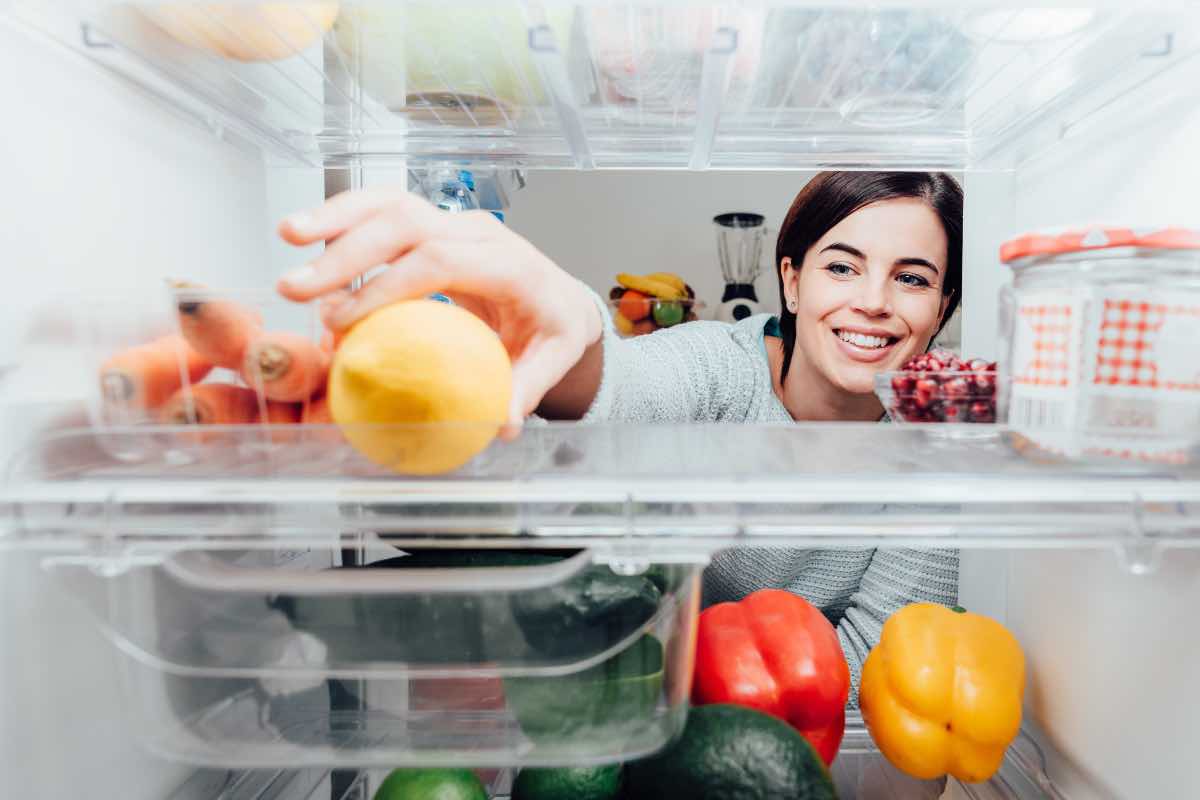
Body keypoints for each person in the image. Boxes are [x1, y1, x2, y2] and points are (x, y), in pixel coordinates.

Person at [277, 171, 962, 702]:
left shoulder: (934, 450)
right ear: (790, 279)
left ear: (943, 310)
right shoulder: (721, 363)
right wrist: (570, 326)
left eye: (911, 278)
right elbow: (625, 389)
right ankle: (294, 622)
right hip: (637, 695)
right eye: (841, 266)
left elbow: (888, 662)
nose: (873, 300)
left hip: (788, 733)